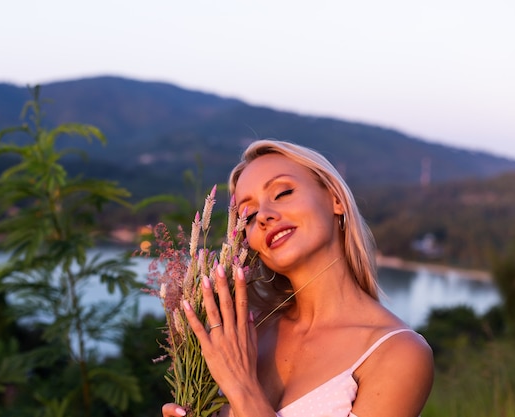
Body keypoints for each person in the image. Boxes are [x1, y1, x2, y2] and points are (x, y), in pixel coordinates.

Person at [162, 139, 434, 417]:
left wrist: (242, 388)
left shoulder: (398, 354)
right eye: (250, 215)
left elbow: (241, 390)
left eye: (283, 193)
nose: (264, 216)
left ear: (336, 200)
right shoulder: (242, 334)